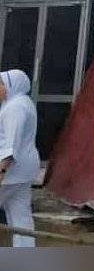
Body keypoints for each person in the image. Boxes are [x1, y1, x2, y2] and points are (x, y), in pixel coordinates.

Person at [0, 70, 41, 247]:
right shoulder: (23, 103)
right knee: (21, 218)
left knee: (20, 217)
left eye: (0, 84)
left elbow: (10, 145)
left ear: (11, 85)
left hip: (10, 173)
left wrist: (2, 170)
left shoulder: (15, 108)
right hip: (23, 173)